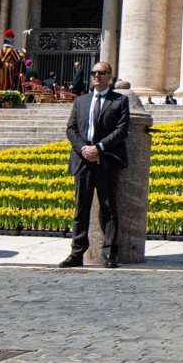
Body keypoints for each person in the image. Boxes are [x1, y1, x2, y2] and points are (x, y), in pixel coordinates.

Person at [61, 60, 130, 268]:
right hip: (83, 159)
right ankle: (76, 252)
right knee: (81, 207)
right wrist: (84, 149)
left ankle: (110, 253)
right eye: (93, 73)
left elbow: (121, 130)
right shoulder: (80, 101)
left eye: (101, 73)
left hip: (106, 158)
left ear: (110, 76)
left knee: (108, 206)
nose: (96, 76)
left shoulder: (119, 101)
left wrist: (98, 148)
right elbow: (71, 129)